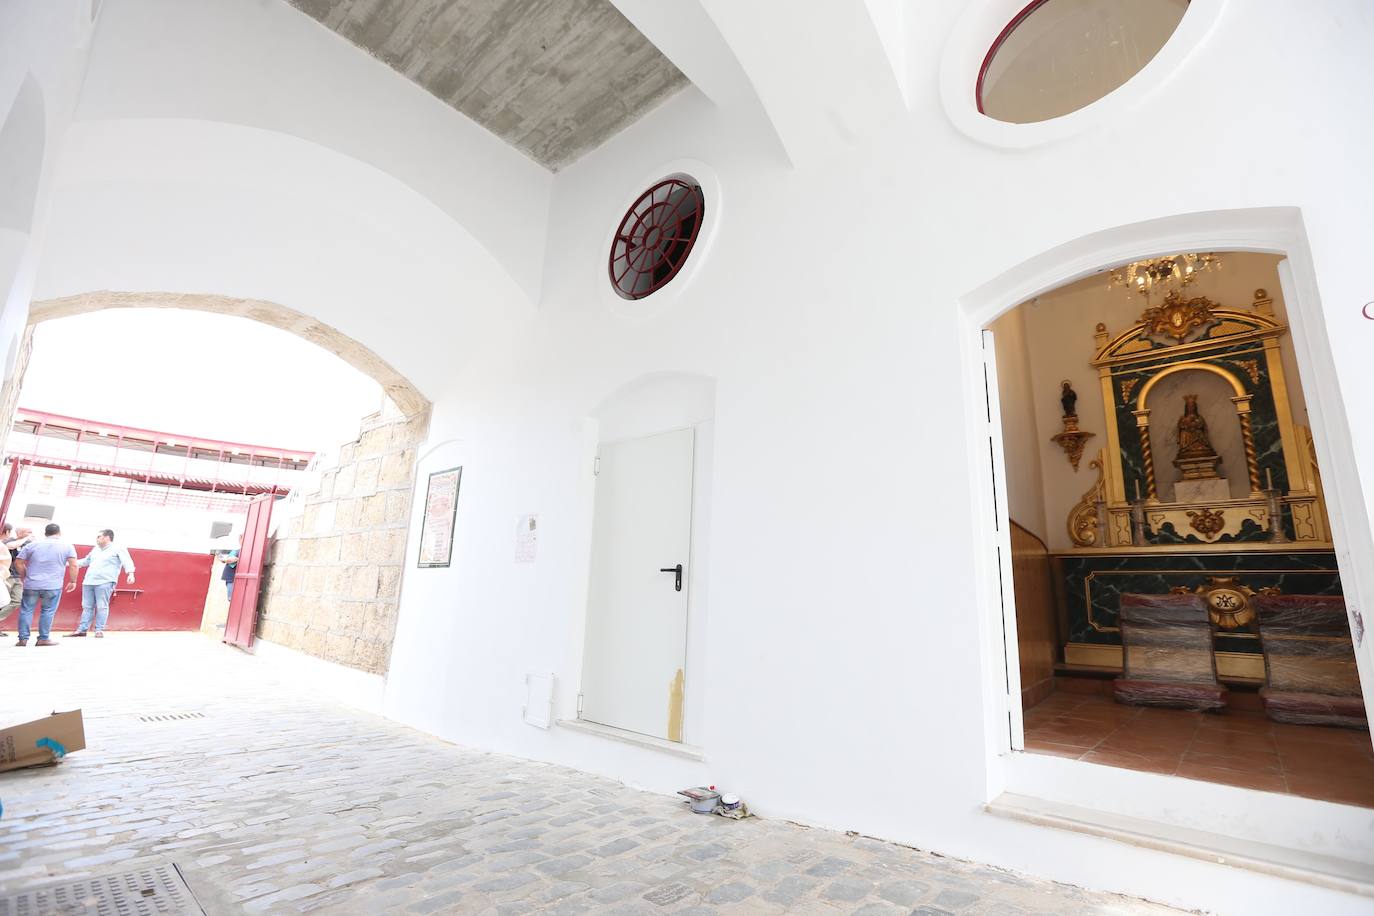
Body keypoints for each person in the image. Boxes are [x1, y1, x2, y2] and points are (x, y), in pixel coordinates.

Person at [13, 523, 78, 647]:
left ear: (45, 533)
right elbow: (74, 564)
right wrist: (73, 581)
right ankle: (43, 638)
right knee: (48, 611)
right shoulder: (67, 546)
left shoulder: (32, 545)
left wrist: (26, 575)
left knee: (26, 610)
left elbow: (18, 562)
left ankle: (22, 639)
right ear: (59, 533)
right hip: (53, 585)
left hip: (31, 584)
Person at [71, 529, 136, 639]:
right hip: (89, 581)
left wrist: (130, 573)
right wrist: (71, 563)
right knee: (87, 606)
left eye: (99, 536)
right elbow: (86, 561)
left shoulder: (118, 548)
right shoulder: (95, 549)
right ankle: (82, 630)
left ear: (107, 537)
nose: (97, 539)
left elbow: (127, 561)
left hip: (105, 581)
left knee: (102, 606)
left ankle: (99, 630)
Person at [0, 524, 33, 635]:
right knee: (2, 602)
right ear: (19, 533)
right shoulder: (8, 540)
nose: (30, 534)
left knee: (17, 601)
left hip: (17, 577)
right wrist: (26, 538)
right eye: (28, 532)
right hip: (6, 576)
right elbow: (11, 546)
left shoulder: (27, 544)